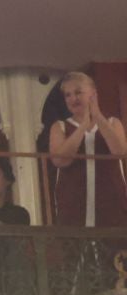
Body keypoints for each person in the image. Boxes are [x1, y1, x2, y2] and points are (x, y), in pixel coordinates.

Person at [48, 72, 127, 229]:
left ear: (93, 94)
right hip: (73, 207)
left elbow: (119, 151)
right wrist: (83, 126)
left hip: (111, 205)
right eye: (68, 95)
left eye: (78, 92)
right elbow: (60, 160)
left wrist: (97, 117)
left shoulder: (112, 122)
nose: (73, 99)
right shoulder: (59, 127)